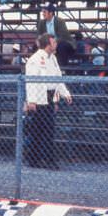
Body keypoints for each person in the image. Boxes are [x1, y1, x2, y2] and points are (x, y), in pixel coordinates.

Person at [24, 33, 72, 169]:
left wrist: (63, 95)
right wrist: (31, 101)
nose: (56, 44)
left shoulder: (53, 59)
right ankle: (35, 160)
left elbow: (58, 79)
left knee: (47, 131)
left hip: (50, 97)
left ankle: (44, 160)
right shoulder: (35, 59)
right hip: (39, 99)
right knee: (38, 131)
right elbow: (31, 81)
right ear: (48, 44)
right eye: (54, 43)